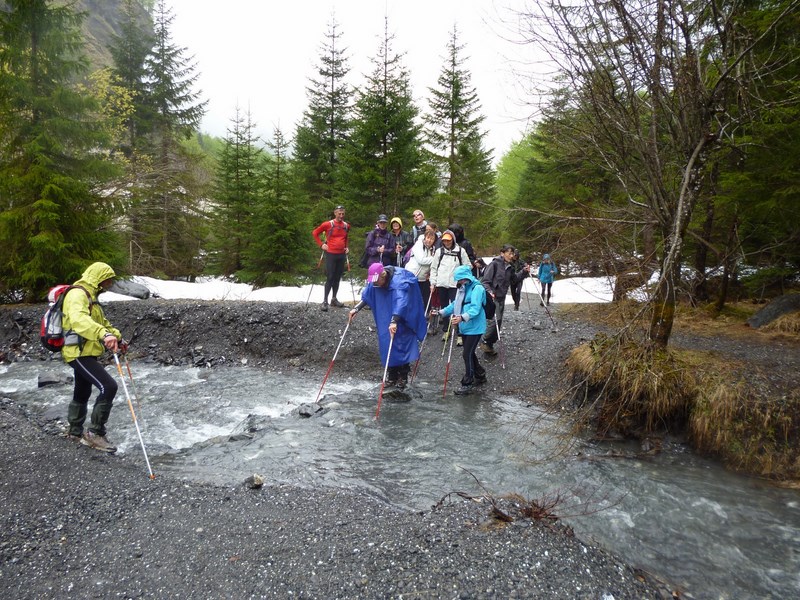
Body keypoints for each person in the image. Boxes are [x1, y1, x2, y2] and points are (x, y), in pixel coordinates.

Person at [61, 262, 126, 453]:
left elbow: (102, 324)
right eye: (108, 278)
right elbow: (79, 321)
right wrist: (104, 335)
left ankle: (74, 431)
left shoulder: (91, 296)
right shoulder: (77, 294)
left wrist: (117, 337)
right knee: (109, 386)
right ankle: (94, 434)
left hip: (87, 351)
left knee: (82, 390)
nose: (110, 282)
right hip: (78, 352)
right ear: (99, 277)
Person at [350, 263, 427, 390]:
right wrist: (356, 308)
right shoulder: (375, 281)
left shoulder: (398, 283)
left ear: (383, 275)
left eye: (377, 281)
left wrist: (394, 320)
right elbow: (368, 295)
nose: (374, 284)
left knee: (401, 340)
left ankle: (403, 375)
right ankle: (392, 375)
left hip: (404, 314)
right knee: (386, 340)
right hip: (386, 309)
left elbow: (401, 302)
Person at [437, 265, 487, 395]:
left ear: (466, 278)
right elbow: (455, 305)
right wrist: (441, 312)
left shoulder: (478, 289)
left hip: (475, 327)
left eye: (459, 280)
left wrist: (461, 318)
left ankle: (467, 382)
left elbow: (475, 309)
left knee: (467, 354)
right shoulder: (462, 288)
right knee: (469, 352)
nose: (457, 283)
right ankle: (480, 374)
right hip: (465, 327)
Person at [480, 245, 530, 356]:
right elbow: (485, 281)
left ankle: (489, 344)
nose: (512, 256)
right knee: (495, 321)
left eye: (512, 254)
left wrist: (524, 271)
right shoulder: (494, 264)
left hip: (501, 297)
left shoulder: (510, 267)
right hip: (492, 297)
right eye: (509, 253)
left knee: (499, 322)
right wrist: (489, 292)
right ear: (502, 253)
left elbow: (514, 279)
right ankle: (484, 340)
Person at [429, 229, 470, 340]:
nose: (446, 243)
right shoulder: (439, 251)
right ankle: (446, 330)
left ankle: (459, 333)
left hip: (455, 284)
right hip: (441, 283)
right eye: (444, 240)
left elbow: (468, 266)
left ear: (453, 240)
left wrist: (462, 278)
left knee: (457, 307)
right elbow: (433, 268)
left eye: (449, 240)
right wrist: (433, 282)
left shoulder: (460, 251)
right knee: (444, 307)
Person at [312, 205, 350, 312]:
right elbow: (315, 233)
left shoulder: (346, 226)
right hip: (331, 254)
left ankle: (334, 299)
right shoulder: (328, 224)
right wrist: (321, 244)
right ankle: (325, 301)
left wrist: (346, 247)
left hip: (341, 254)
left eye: (343, 214)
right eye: (339, 213)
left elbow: (346, 237)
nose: (341, 216)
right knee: (330, 277)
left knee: (337, 277)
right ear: (335, 213)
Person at [405, 229, 437, 310]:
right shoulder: (418, 245)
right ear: (425, 237)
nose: (429, 240)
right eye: (428, 238)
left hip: (423, 277)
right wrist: (435, 258)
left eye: (432, 239)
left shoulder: (432, 249)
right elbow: (421, 260)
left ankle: (425, 315)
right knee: (411, 297)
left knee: (425, 296)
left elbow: (431, 264)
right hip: (412, 275)